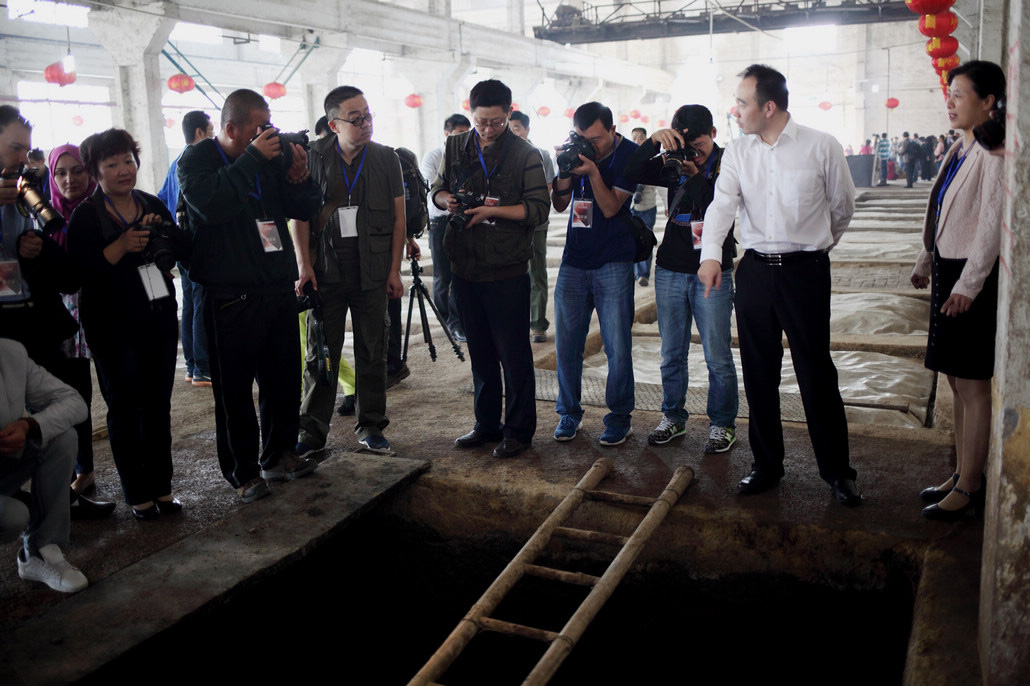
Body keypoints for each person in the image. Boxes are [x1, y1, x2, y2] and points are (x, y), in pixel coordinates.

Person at [698, 64, 861, 506]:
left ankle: (838, 472)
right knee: (759, 371)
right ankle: (766, 465)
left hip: (805, 272)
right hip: (754, 272)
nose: (735, 111)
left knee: (815, 370)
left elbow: (842, 207)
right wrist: (710, 255)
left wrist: (816, 247)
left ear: (768, 107)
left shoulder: (821, 146)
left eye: (742, 103)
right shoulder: (738, 152)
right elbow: (722, 205)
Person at [178, 89, 322, 503]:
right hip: (229, 296)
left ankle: (279, 455)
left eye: (269, 125)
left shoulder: (266, 159)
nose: (267, 135)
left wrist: (299, 177)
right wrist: (254, 158)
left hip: (275, 287)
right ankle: (243, 473)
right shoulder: (197, 160)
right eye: (259, 128)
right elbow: (213, 205)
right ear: (230, 128)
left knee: (283, 381)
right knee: (235, 393)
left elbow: (304, 207)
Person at [67, 128, 187, 520]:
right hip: (112, 327)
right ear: (95, 172)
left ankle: (162, 488)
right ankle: (137, 493)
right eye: (112, 163)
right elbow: (77, 274)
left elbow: (178, 250)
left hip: (158, 317)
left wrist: (161, 235)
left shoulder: (151, 203)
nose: (124, 170)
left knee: (157, 404)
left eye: (128, 161)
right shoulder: (86, 215)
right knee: (123, 406)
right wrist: (120, 246)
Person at [431, 79, 549, 458]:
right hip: (465, 267)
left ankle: (518, 431)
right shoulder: (455, 146)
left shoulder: (525, 154)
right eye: (481, 121)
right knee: (481, 354)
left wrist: (490, 211)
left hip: (506, 270)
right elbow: (437, 188)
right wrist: (446, 200)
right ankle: (486, 425)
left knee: (513, 356)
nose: (487, 129)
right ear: (471, 112)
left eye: (496, 122)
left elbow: (539, 209)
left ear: (509, 112)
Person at [911, 61, 1005, 521]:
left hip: (972, 278)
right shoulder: (960, 147)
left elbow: (991, 224)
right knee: (953, 378)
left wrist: (968, 285)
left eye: (960, 94)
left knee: (971, 383)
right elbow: (941, 210)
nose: (950, 102)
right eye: (949, 94)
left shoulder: (993, 152)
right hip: (949, 269)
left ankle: (970, 484)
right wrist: (926, 259)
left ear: (988, 102)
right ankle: (962, 471)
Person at [293, 86, 405, 456]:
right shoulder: (312, 157)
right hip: (326, 273)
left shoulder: (386, 158)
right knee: (321, 354)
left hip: (372, 272)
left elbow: (399, 219)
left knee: (373, 351)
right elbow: (300, 216)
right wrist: (304, 265)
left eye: (368, 116)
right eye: (355, 119)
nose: (365, 124)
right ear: (334, 125)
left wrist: (394, 270)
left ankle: (371, 425)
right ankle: (312, 432)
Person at [625, 104, 738, 453]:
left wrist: (693, 175)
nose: (694, 152)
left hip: (713, 269)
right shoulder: (673, 159)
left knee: (717, 355)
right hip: (671, 268)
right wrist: (654, 142)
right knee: (671, 352)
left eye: (699, 144)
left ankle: (722, 424)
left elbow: (721, 207)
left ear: (713, 134)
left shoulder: (729, 163)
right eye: (687, 145)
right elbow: (630, 171)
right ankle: (673, 417)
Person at [551, 101, 638, 447]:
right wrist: (564, 168)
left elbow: (611, 206)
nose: (590, 145)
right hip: (574, 260)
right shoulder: (575, 153)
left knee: (617, 346)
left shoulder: (629, 155)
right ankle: (568, 413)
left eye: (597, 139)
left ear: (613, 130)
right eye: (582, 138)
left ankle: (619, 418)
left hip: (614, 261)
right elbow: (560, 204)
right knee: (567, 345)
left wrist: (592, 172)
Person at [0, 338, 89, 592]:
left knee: (62, 437)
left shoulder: (10, 352)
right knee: (12, 515)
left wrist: (29, 425)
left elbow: (75, 402)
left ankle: (41, 549)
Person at [46, 144, 101, 498]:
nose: (70, 179)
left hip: (101, 315)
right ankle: (79, 470)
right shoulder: (42, 217)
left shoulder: (101, 210)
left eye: (78, 170)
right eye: (61, 173)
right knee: (67, 394)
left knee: (101, 394)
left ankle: (90, 470)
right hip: (60, 323)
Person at [159, 110, 214, 387]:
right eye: (211, 132)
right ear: (200, 132)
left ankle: (192, 366)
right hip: (194, 242)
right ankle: (203, 366)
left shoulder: (175, 163)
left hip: (179, 243)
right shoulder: (196, 161)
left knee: (191, 303)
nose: (214, 138)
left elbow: (161, 198)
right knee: (201, 301)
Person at [421, 113, 470, 342]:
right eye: (459, 134)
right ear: (447, 134)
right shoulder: (434, 156)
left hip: (463, 219)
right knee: (442, 275)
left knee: (462, 272)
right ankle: (447, 321)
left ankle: (458, 320)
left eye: (467, 134)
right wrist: (448, 198)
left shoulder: (470, 155)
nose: (464, 138)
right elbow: (431, 188)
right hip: (440, 221)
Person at [508, 110, 556, 343]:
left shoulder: (541, 154)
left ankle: (537, 324)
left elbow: (546, 190)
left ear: (527, 129)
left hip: (535, 224)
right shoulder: (502, 156)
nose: (512, 133)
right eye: (509, 128)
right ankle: (514, 324)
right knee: (510, 275)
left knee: (537, 272)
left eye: (516, 128)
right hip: (508, 225)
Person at [629, 126, 659, 287]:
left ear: (646, 139)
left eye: (640, 137)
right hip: (631, 207)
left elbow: (662, 185)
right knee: (631, 239)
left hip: (648, 207)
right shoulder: (629, 157)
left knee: (645, 240)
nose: (637, 140)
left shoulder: (653, 158)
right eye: (634, 138)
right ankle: (633, 271)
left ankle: (643, 274)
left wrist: (668, 205)